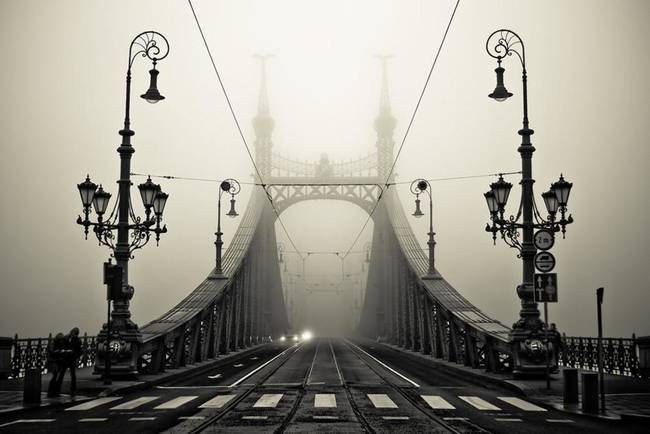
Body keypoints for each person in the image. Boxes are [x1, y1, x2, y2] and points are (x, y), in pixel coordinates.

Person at [46, 333, 67, 397]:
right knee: (55, 376)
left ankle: (55, 392)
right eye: (60, 339)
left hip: (58, 361)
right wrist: (59, 351)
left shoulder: (60, 343)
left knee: (57, 377)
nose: (61, 341)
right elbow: (52, 351)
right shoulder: (53, 343)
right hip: (54, 361)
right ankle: (51, 392)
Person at [66, 328, 82, 394]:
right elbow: (79, 350)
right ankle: (73, 388)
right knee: (72, 374)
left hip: (70, 357)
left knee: (72, 374)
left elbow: (78, 350)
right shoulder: (74, 339)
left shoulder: (73, 339)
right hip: (69, 357)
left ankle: (73, 388)